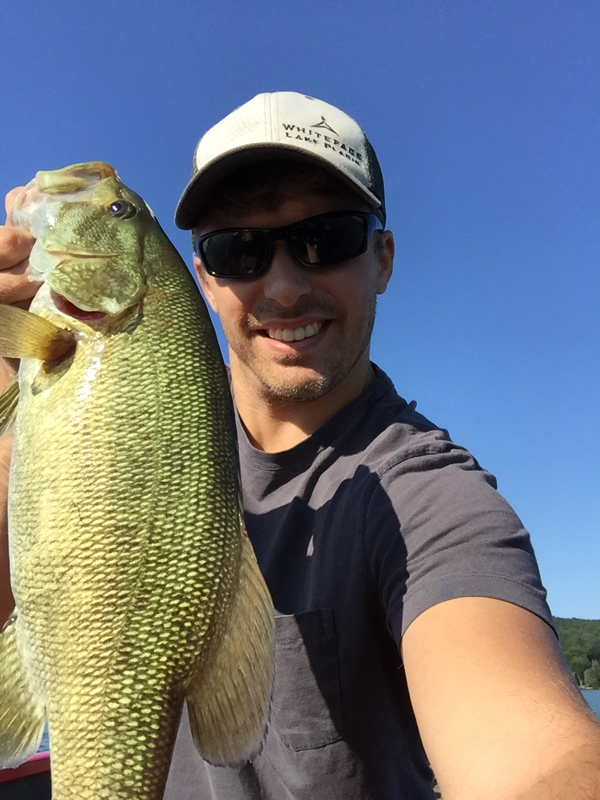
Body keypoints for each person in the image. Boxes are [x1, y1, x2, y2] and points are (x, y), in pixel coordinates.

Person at [1, 92, 600, 800]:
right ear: (205, 279)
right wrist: (13, 421)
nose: (284, 288)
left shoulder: (432, 498)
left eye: (327, 238)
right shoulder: (87, 394)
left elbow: (533, 758)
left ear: (382, 259)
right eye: (239, 249)